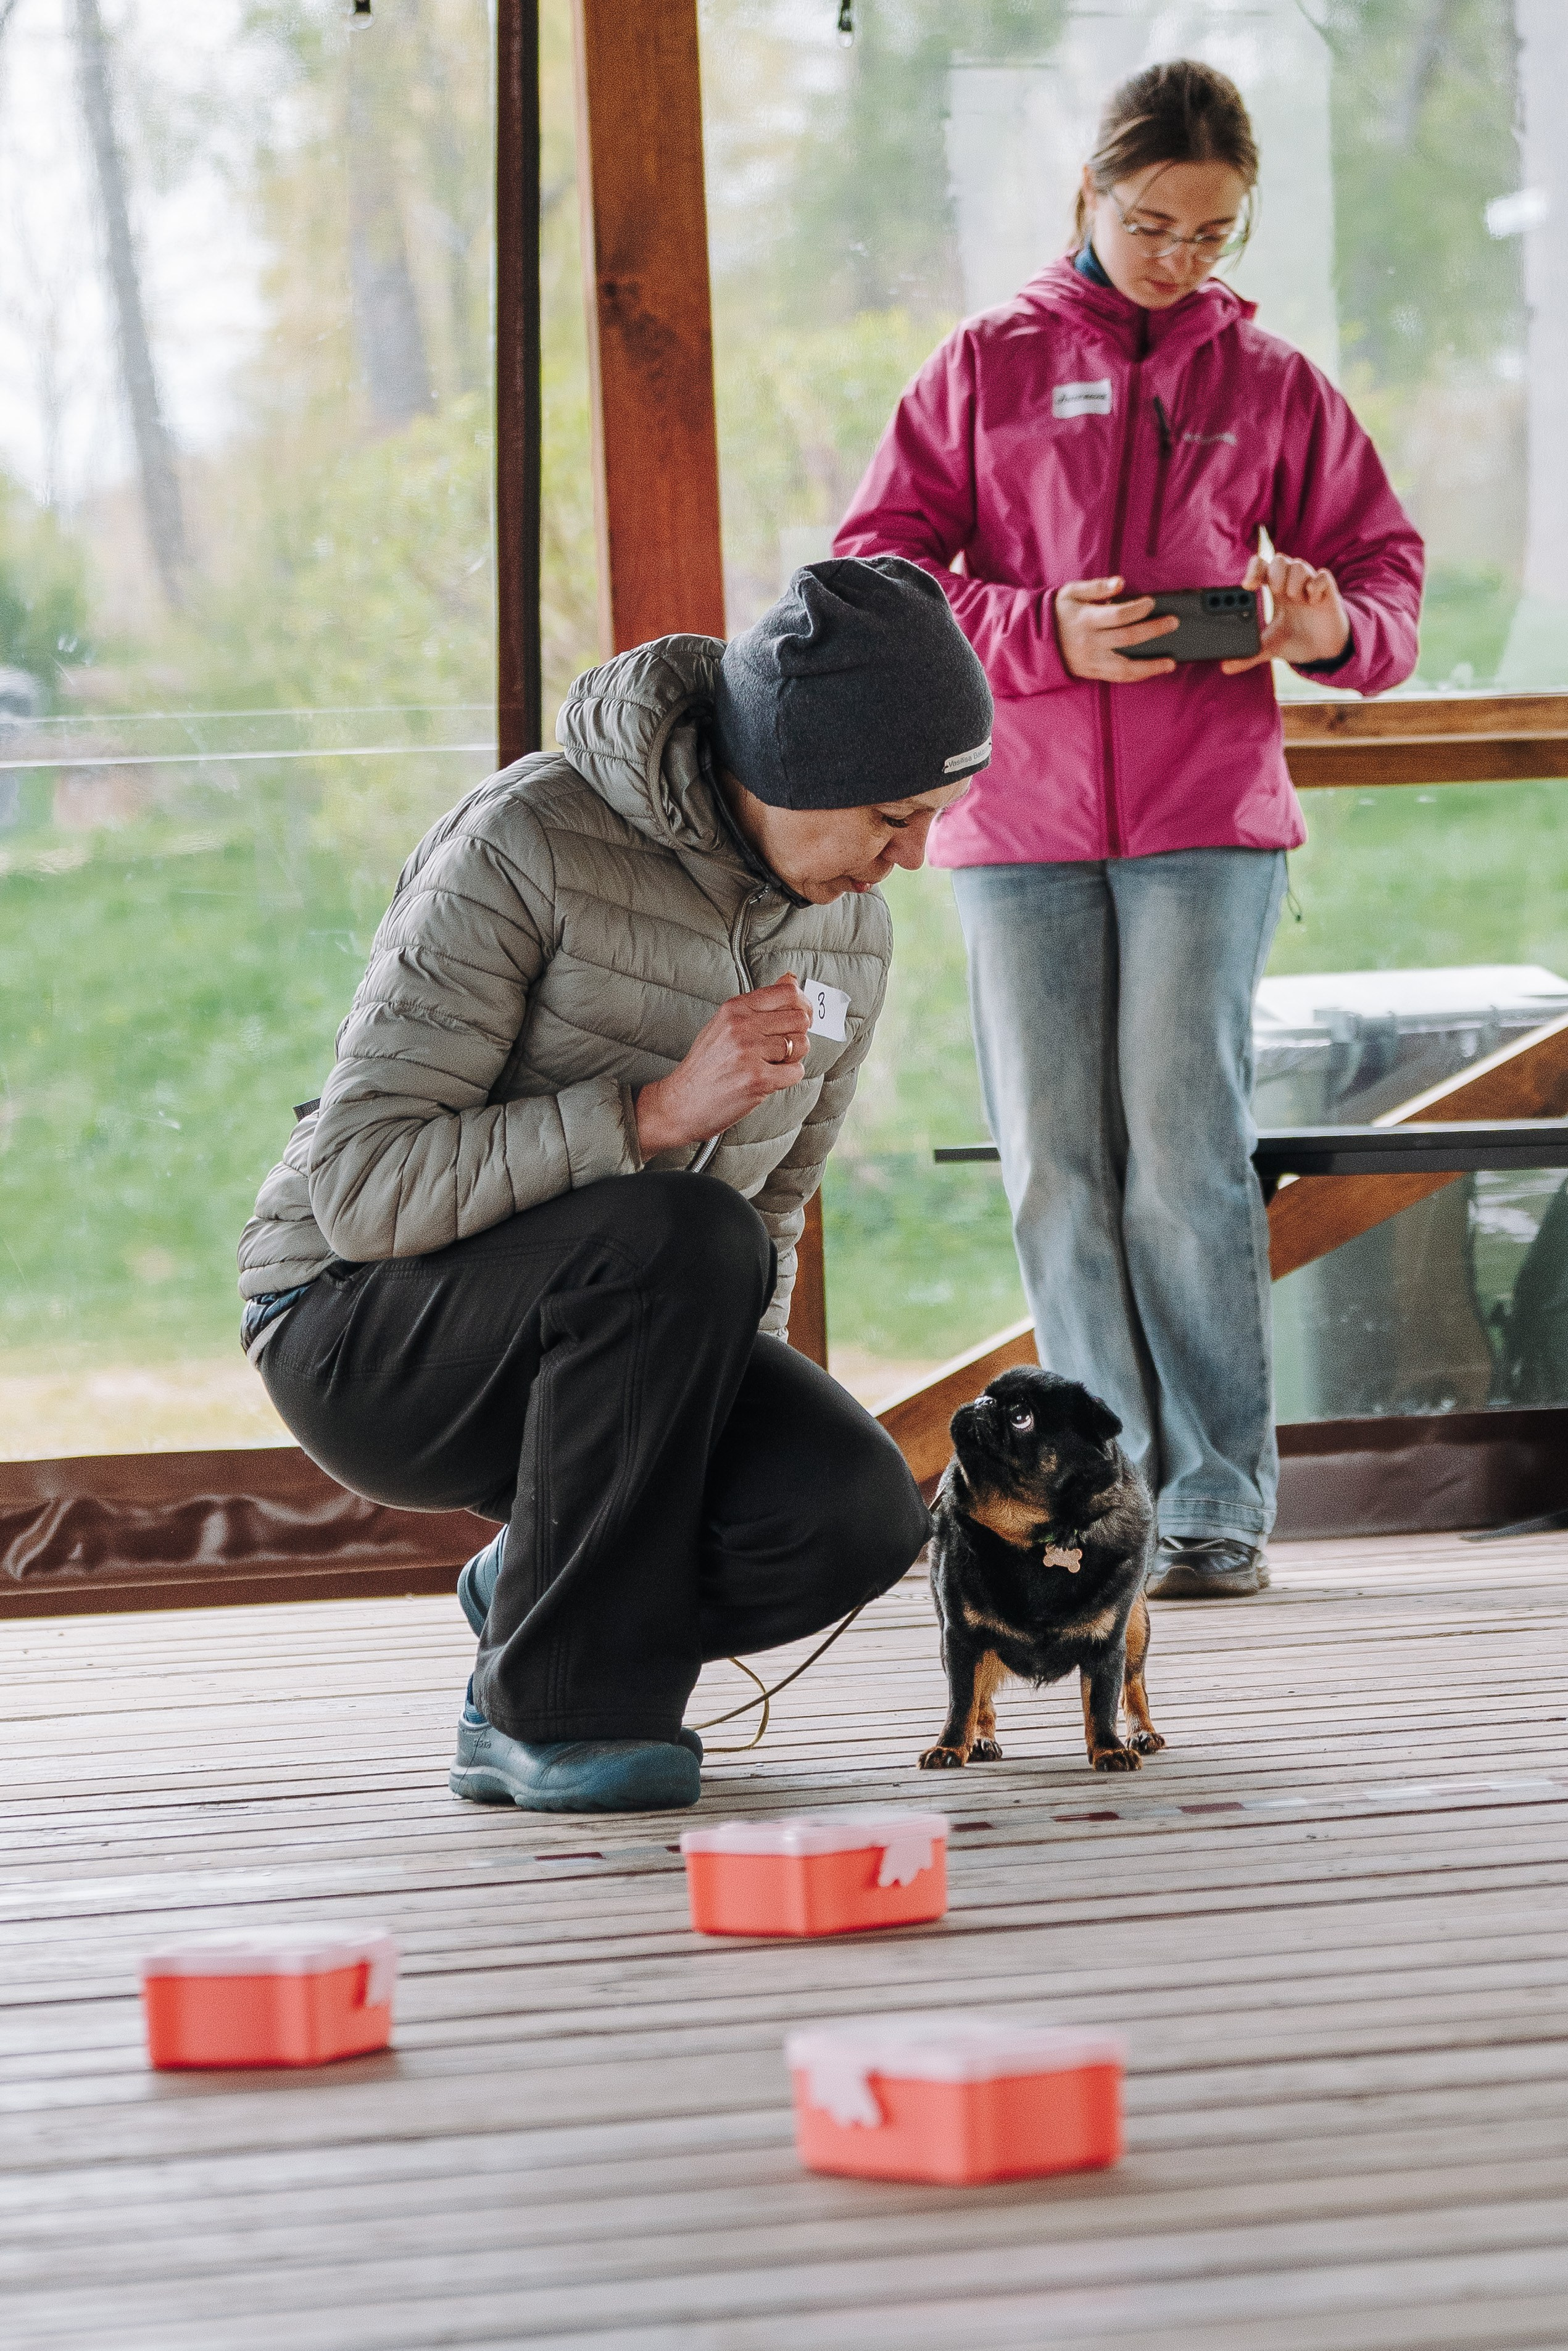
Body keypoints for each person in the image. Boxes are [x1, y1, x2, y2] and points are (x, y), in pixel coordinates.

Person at [237, 557, 992, 1810]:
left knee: (852, 1515)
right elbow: (361, 1188)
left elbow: (771, 1215)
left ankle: (538, 1588)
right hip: (357, 1326)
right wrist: (649, 1115)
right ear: (791, 766)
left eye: (936, 820)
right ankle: (546, 1715)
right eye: (891, 816)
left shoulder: (849, 928)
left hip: (622, 1337)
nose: (911, 859)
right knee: (678, 1229)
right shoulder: (528, 839)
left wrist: (717, 1431)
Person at [835, 60, 1424, 1599]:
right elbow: (877, 574)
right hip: (1016, 822)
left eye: (1211, 233)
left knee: (1182, 1159)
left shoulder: (1270, 383)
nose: (1176, 256)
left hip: (1206, 826)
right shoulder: (983, 367)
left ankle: (1217, 1504)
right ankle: (1102, 1499)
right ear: (1088, 194)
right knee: (1056, 1166)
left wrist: (1317, 628)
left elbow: (1383, 582)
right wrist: (1040, 632)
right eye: (1151, 222)